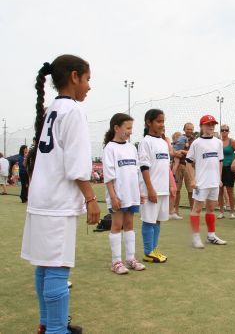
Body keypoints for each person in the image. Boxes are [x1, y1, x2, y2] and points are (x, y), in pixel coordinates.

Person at [21, 55, 100, 334]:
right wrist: (91, 198)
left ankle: (46, 324)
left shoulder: (52, 109)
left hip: (41, 198)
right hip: (57, 202)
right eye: (88, 79)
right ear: (75, 77)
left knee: (44, 265)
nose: (89, 86)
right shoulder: (74, 111)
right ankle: (56, 330)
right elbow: (77, 166)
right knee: (57, 267)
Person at [102, 113, 146, 274]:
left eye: (131, 128)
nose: (130, 131)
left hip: (131, 195)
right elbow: (108, 176)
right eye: (128, 128)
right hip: (118, 196)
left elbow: (136, 172)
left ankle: (130, 259)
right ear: (116, 128)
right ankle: (116, 262)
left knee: (129, 225)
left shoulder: (131, 147)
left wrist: (139, 192)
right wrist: (113, 197)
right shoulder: (110, 148)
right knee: (116, 226)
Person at [186, 114, 227, 248]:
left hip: (214, 182)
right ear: (202, 126)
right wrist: (192, 180)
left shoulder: (218, 142)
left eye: (212, 124)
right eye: (208, 124)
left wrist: (219, 179)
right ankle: (195, 238)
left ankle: (211, 236)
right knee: (196, 209)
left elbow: (220, 162)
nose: (211, 127)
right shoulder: (196, 143)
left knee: (211, 209)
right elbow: (188, 162)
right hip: (201, 183)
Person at [139, 109, 174, 263]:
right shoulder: (145, 142)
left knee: (158, 220)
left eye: (163, 121)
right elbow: (144, 167)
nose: (162, 125)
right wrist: (150, 189)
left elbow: (165, 166)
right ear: (148, 122)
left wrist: (170, 185)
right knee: (148, 220)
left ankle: (154, 249)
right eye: (158, 121)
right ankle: (148, 252)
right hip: (150, 190)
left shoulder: (163, 142)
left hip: (163, 189)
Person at [171, 123, 196, 219]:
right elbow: (173, 150)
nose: (189, 131)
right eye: (188, 129)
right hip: (178, 166)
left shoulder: (195, 140)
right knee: (177, 190)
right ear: (184, 129)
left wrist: (182, 152)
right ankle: (175, 211)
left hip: (189, 167)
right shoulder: (179, 139)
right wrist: (176, 153)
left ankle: (193, 211)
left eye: (191, 129)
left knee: (191, 191)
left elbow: (193, 153)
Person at [217, 124, 235, 220]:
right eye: (222, 130)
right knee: (220, 191)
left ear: (228, 131)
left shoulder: (232, 142)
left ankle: (232, 212)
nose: (224, 132)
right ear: (220, 131)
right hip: (219, 168)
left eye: (226, 130)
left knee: (230, 191)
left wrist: (234, 161)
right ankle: (221, 212)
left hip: (229, 169)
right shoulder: (217, 142)